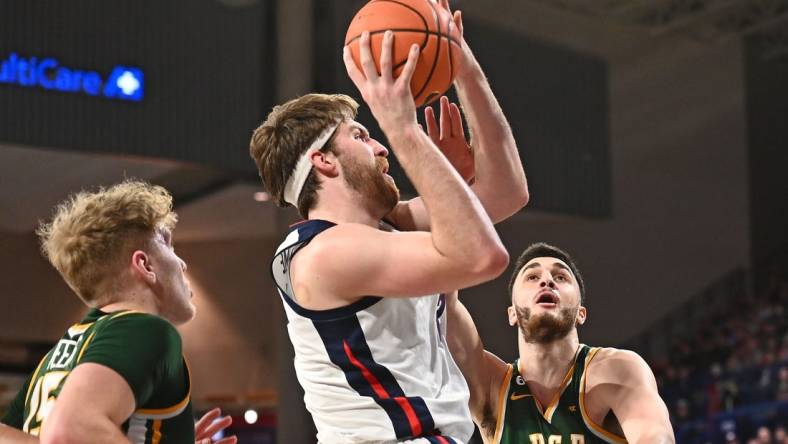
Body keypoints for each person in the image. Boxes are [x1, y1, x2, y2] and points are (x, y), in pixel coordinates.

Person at [248, 1, 528, 442]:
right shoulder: (323, 254)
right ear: (322, 161)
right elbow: (483, 256)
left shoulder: (387, 230)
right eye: (360, 136)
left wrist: (462, 65)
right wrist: (406, 132)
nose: (381, 147)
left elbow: (507, 193)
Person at [0, 181, 236, 444]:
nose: (182, 263)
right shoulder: (145, 329)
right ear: (145, 265)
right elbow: (71, 430)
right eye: (169, 246)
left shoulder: (60, 354)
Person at [447, 243, 675, 443]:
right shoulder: (491, 386)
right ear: (512, 313)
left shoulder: (615, 370)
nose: (547, 281)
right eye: (532, 277)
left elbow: (655, 436)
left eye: (561, 277)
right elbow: (443, 298)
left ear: (581, 314)